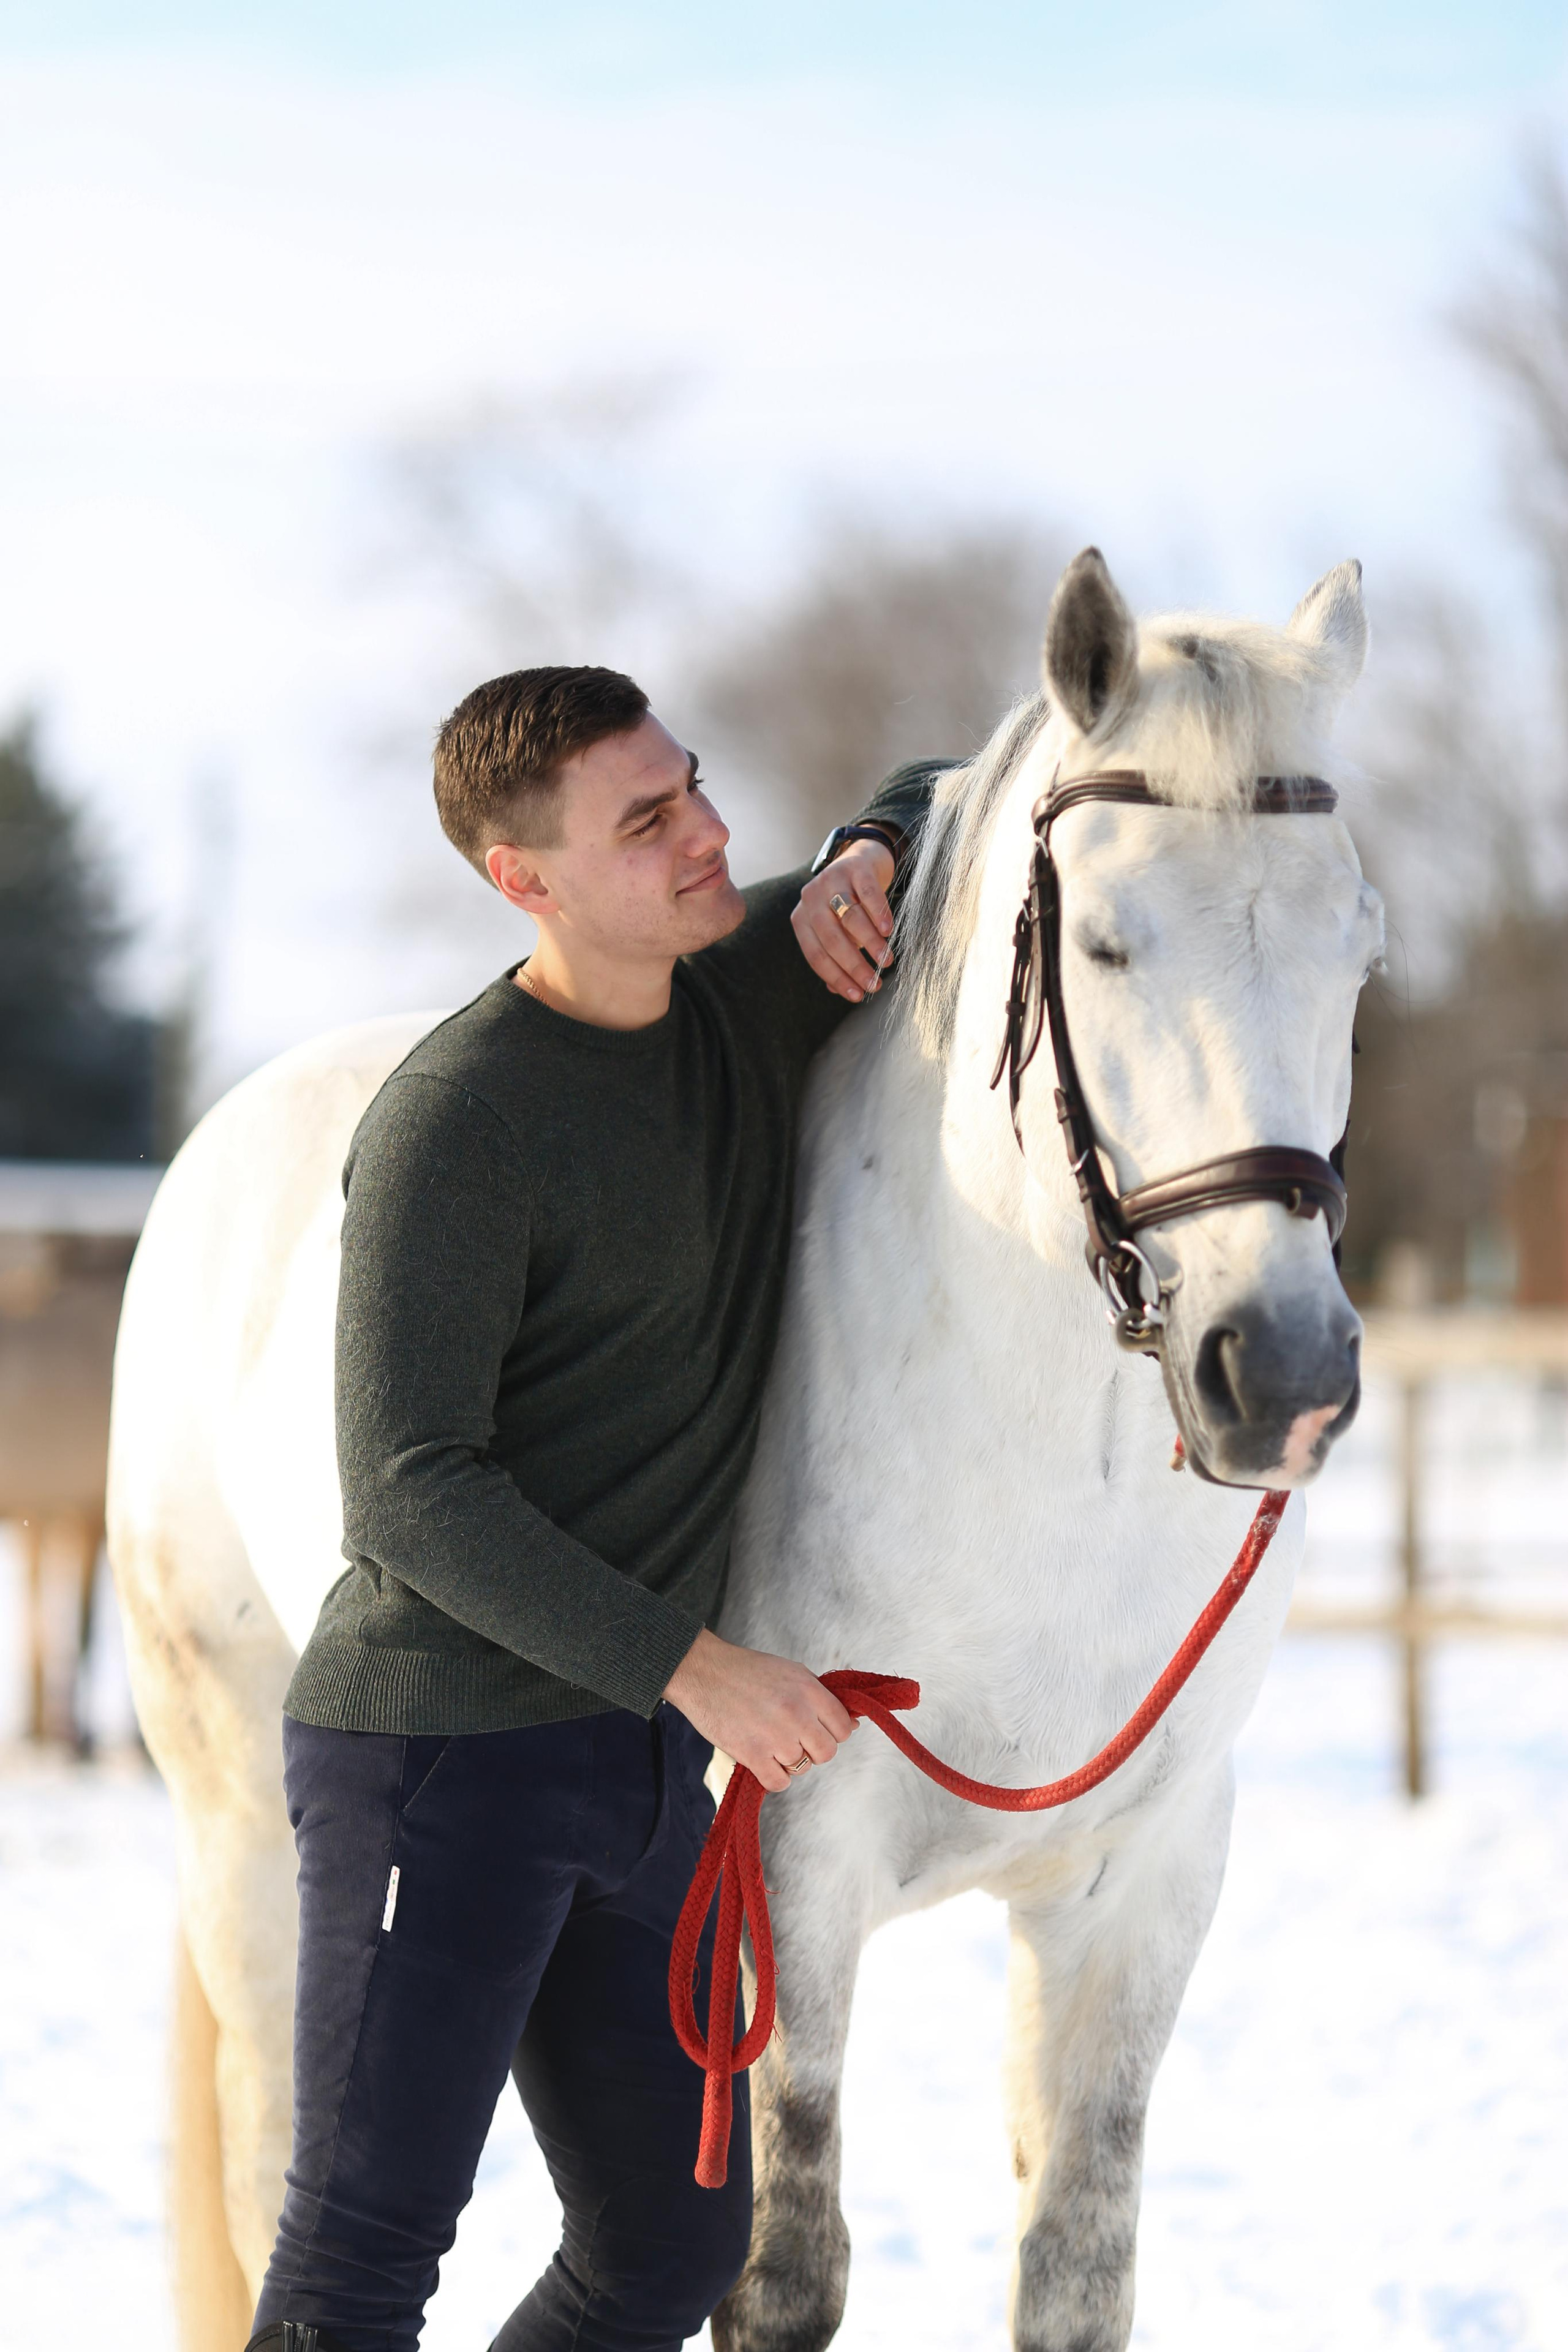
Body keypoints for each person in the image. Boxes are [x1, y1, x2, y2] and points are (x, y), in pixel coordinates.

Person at [247, 665, 938, 2352]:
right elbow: (409, 1494)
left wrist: (865, 846)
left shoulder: (741, 997)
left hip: (631, 1778)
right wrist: (699, 1666)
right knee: (360, 2267)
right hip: (438, 1761)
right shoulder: (457, 1122)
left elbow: (952, 780)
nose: (707, 832)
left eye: (691, 785)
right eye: (647, 822)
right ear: (524, 878)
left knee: (676, 2246)